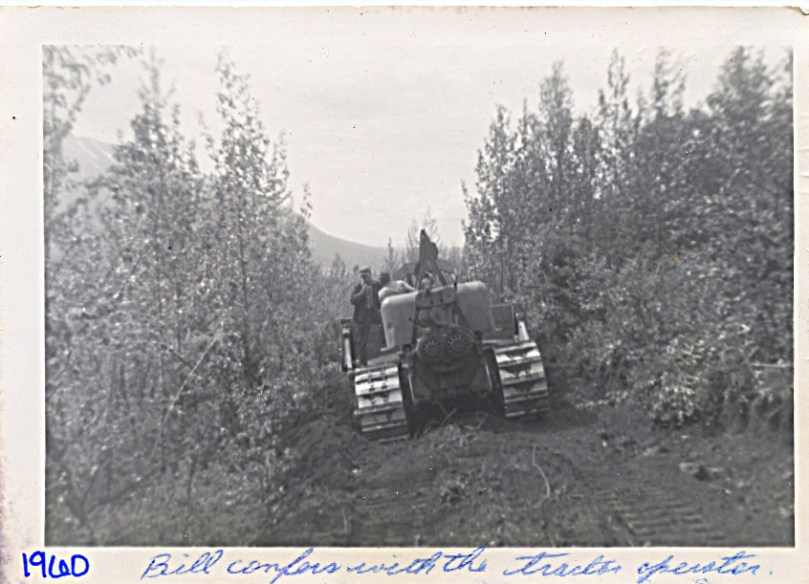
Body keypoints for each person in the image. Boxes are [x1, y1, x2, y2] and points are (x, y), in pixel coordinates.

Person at [350, 266, 382, 366]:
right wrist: (362, 293)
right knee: (363, 338)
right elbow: (353, 300)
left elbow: (383, 295)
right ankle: (363, 362)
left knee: (387, 326)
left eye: (366, 276)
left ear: (370, 275)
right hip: (364, 315)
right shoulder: (359, 287)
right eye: (362, 277)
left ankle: (388, 353)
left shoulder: (377, 285)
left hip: (375, 312)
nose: (364, 279)